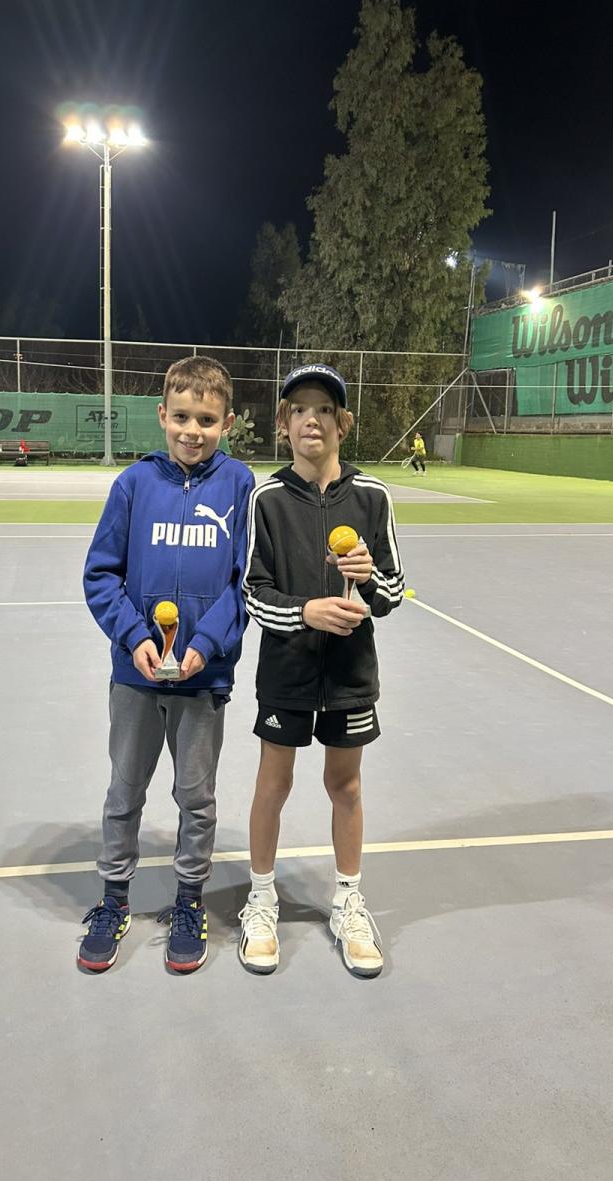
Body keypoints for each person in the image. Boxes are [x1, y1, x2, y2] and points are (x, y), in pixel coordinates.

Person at [81, 355, 255, 974]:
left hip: (203, 681)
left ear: (227, 422)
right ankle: (114, 900)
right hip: (136, 677)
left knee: (196, 798)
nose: (192, 430)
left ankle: (189, 901)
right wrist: (135, 638)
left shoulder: (241, 486)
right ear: (162, 415)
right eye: (181, 417)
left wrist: (205, 645)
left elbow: (245, 582)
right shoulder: (133, 484)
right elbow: (101, 574)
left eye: (206, 420)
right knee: (124, 791)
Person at [239, 363, 404, 977]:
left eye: (325, 409)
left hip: (350, 673)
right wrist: (304, 611)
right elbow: (252, 592)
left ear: (343, 424)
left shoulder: (373, 497)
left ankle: (348, 902)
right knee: (273, 784)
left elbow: (393, 591)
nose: (313, 419)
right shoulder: (267, 500)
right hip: (286, 671)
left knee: (347, 786)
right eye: (300, 409)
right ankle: (261, 900)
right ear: (284, 424)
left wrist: (368, 575)